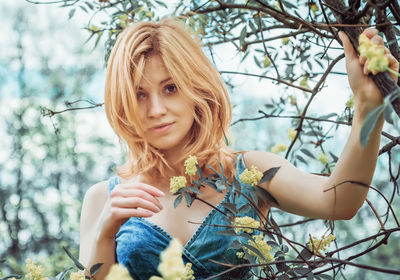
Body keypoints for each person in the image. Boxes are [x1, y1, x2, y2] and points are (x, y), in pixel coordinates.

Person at [78, 18, 399, 280]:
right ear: (123, 104)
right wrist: (105, 233)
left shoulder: (249, 172)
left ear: (196, 89)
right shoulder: (102, 199)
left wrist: (367, 108)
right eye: (139, 94)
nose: (156, 109)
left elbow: (339, 200)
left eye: (170, 88)